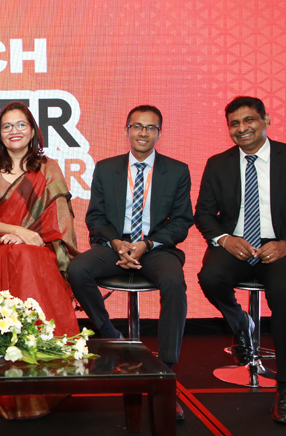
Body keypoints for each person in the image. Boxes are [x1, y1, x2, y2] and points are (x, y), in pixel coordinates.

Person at [195, 96, 286, 424]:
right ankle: (242, 322)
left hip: (281, 246)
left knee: (284, 293)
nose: (242, 128)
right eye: (234, 124)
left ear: (266, 120)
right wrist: (226, 239)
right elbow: (204, 214)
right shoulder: (218, 163)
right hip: (237, 244)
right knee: (209, 277)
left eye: (249, 120)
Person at [66, 105, 193, 421]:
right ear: (127, 130)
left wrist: (146, 244)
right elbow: (95, 217)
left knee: (174, 282)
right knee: (77, 269)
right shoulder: (106, 168)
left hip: (156, 247)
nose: (143, 133)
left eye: (151, 128)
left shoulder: (177, 171)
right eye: (137, 126)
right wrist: (117, 243)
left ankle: (166, 371)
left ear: (159, 133)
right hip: (115, 244)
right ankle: (109, 333)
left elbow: (182, 221)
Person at [0, 101, 79, 419]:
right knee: (15, 254)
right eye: (7, 126)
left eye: (20, 125)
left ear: (32, 131)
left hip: (39, 245)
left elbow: (61, 221)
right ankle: (9, 385)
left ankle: (47, 375)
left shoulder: (49, 168)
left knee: (29, 257)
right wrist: (17, 231)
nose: (14, 131)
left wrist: (31, 236)